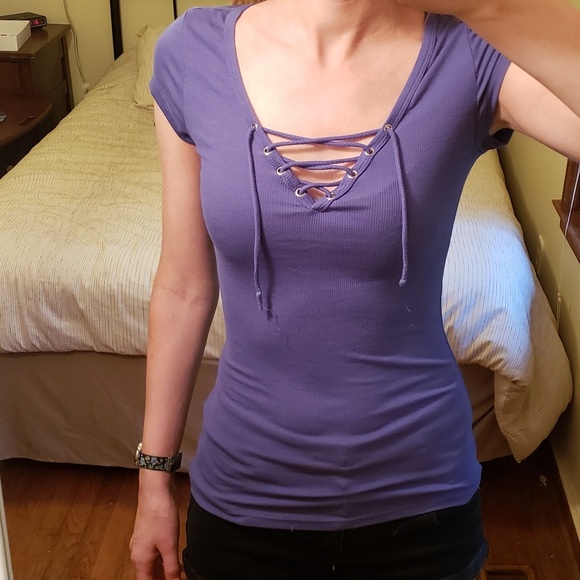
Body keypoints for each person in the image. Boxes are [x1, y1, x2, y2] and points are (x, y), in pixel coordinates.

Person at [130, 0, 580, 578]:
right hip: (244, 500)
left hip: (423, 507)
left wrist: (486, 6)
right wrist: (153, 480)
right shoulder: (190, 52)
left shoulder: (470, 51)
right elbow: (183, 287)